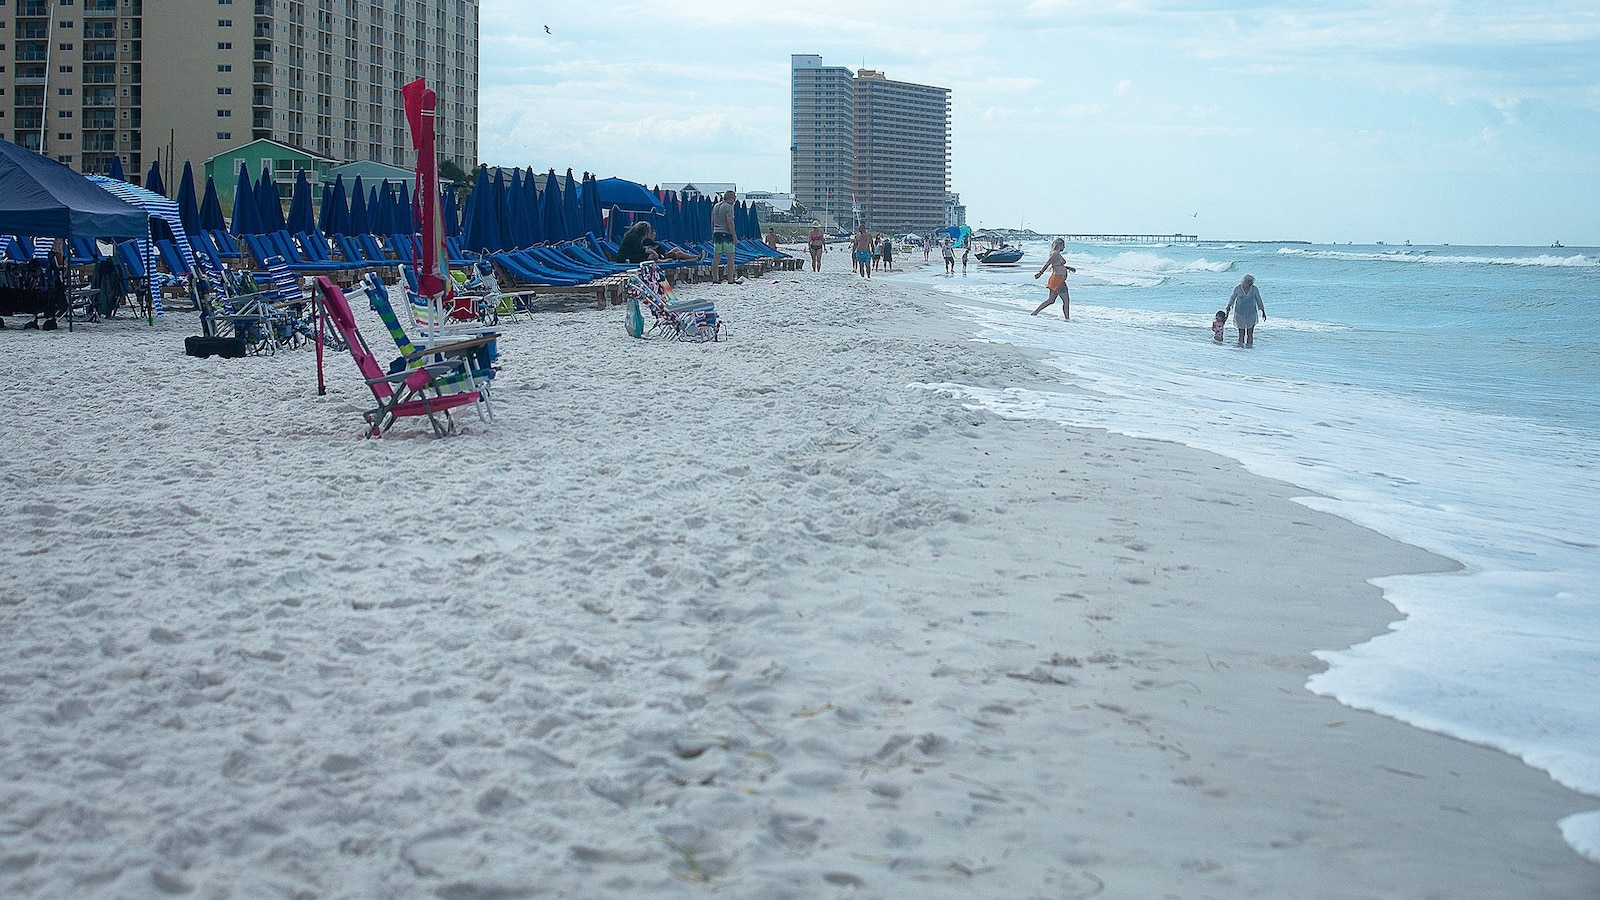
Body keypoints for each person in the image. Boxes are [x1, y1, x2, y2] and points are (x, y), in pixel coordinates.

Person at [1031, 237, 1077, 319]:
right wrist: (1040, 273)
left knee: (1051, 300)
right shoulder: (1055, 253)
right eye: (1063, 245)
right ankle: (1067, 319)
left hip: (1058, 279)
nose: (1064, 247)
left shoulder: (1056, 254)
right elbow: (1048, 263)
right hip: (1057, 279)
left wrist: (1068, 268)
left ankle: (1035, 313)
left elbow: (1057, 265)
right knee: (1066, 301)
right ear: (1059, 245)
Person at [615, 221, 702, 264]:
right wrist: (653, 251)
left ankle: (697, 257)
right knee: (650, 256)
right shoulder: (633, 237)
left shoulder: (633, 236)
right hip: (625, 259)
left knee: (650, 255)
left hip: (629, 256)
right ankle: (697, 257)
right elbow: (639, 249)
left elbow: (639, 249)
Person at [1226, 274, 1266, 347]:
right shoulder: (1238, 288)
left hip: (1251, 312)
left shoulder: (1254, 289)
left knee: (1250, 333)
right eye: (1249, 283)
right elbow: (1232, 298)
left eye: (1251, 283)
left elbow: (1258, 300)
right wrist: (1228, 307)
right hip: (1239, 312)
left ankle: (1249, 348)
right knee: (1241, 333)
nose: (1250, 284)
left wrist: (1263, 311)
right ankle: (1241, 349)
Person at [710, 189, 740, 284]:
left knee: (716, 257)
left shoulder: (716, 206)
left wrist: (713, 232)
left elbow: (712, 221)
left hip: (717, 233)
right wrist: (734, 235)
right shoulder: (729, 207)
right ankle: (730, 279)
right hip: (726, 234)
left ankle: (715, 278)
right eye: (734, 197)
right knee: (730, 257)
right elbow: (730, 222)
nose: (735, 199)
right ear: (731, 198)